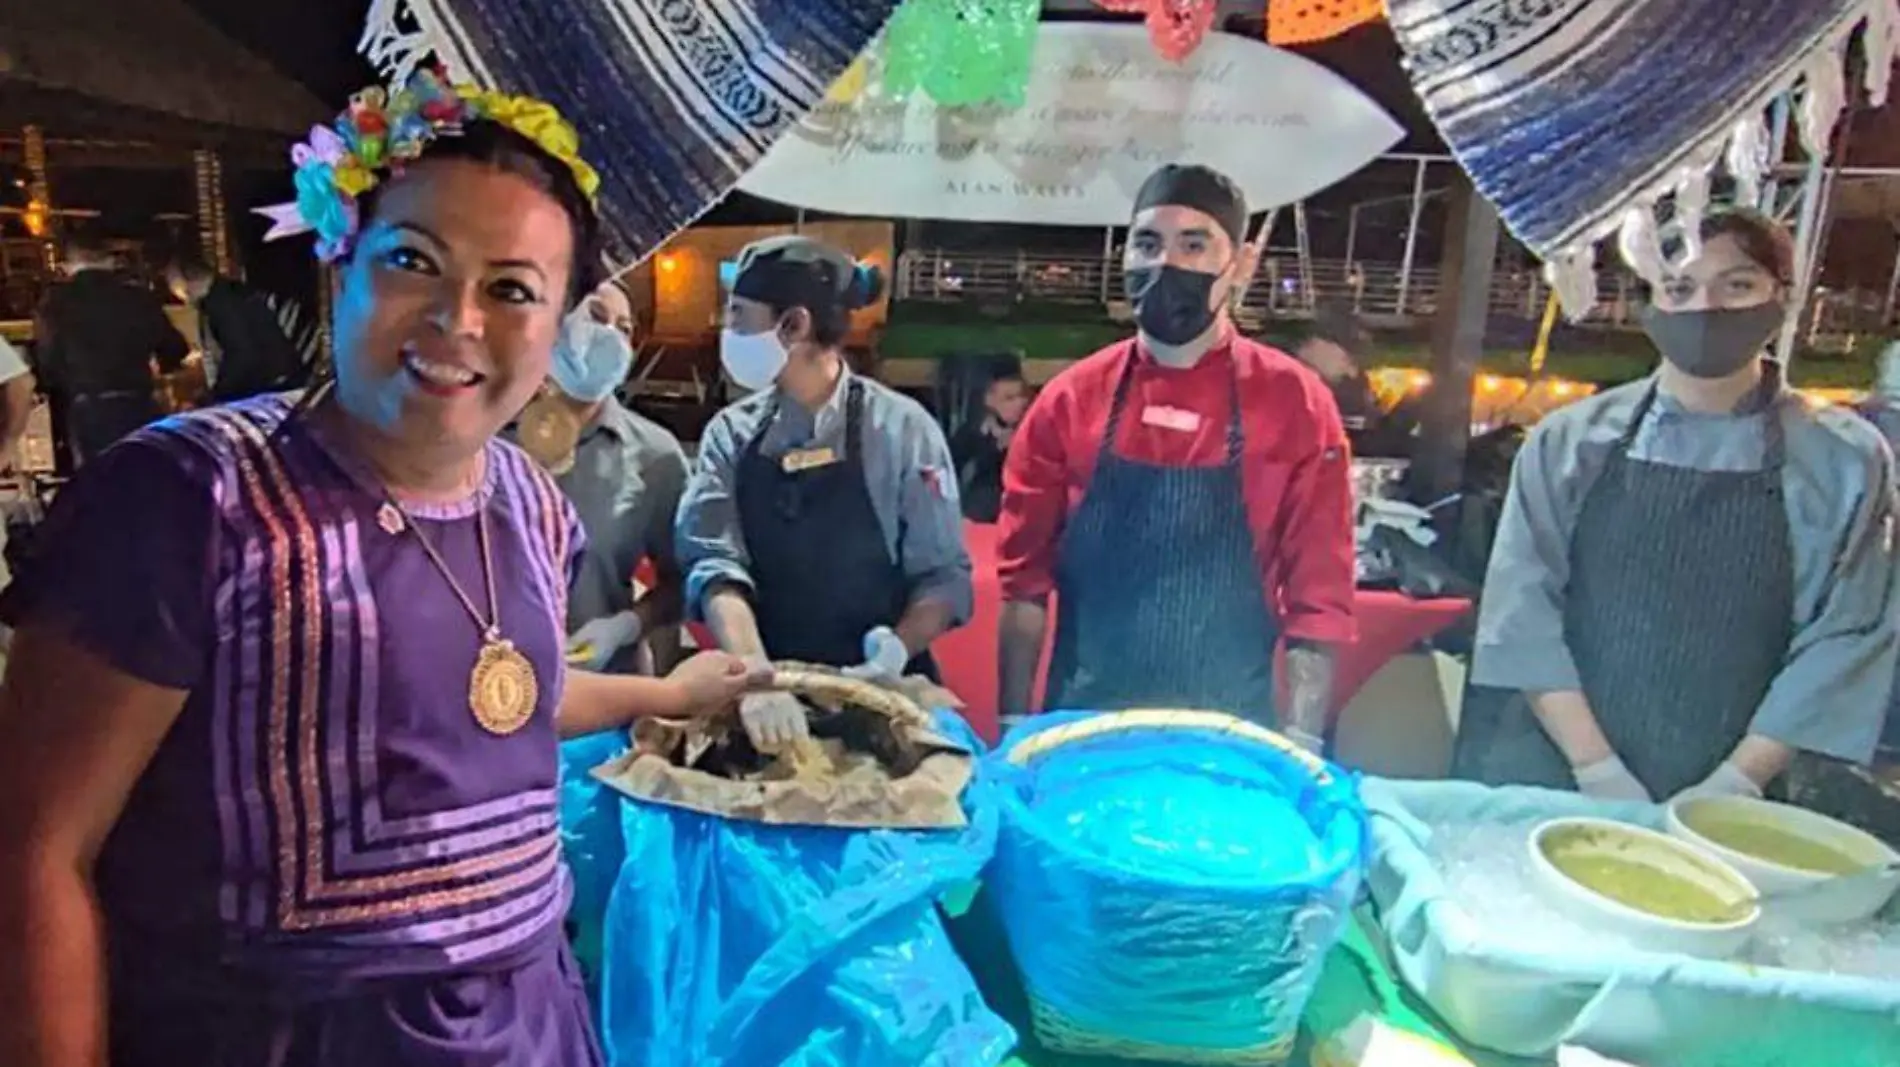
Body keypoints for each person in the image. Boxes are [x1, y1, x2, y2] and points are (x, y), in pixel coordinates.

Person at [0, 71, 763, 1067]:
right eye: (413, 260)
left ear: (560, 322)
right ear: (342, 266)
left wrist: (666, 688)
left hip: (529, 1022)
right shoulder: (188, 497)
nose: (459, 319)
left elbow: (492, 698)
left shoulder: (532, 506)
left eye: (513, 289)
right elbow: (36, 848)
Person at [1459, 208, 1898, 804]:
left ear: (1784, 298)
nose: (1704, 307)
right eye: (1679, 287)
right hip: (1557, 768)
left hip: (1746, 785)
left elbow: (1847, 630)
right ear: (1650, 304)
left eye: (1737, 284)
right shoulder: (1569, 441)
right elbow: (1523, 613)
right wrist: (1596, 769)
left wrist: (1739, 779)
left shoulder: (1845, 458)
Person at [994, 163, 1356, 749]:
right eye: (1147, 243)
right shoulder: (1070, 399)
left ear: (1238, 264)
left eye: (1194, 244)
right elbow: (1023, 586)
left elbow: (1320, 603)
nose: (1167, 264)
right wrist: (1010, 732)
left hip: (1231, 738)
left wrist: (1303, 747)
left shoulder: (1298, 405)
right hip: (1081, 732)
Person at [677, 235, 972, 751]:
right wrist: (755, 677)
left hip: (881, 696)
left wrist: (895, 652)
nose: (727, 330)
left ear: (793, 325)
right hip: (769, 697)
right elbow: (714, 566)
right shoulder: (731, 434)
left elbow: (944, 576)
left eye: (739, 316)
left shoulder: (902, 431)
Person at [519, 279, 688, 675]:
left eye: (624, 328)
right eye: (596, 317)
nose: (610, 335)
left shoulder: (654, 454)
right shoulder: (485, 435)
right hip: (489, 691)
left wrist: (626, 626)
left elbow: (684, 583)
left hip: (601, 691)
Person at [32, 231, 189, 466]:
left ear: (68, 265)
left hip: (89, 407)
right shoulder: (137, 297)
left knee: (99, 483)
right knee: (146, 473)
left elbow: (48, 360)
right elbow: (175, 347)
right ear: (110, 261)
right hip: (138, 402)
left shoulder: (55, 303)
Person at [165, 251, 310, 403]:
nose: (180, 298)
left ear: (186, 285)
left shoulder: (221, 305)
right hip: (280, 384)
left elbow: (242, 354)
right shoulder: (231, 293)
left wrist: (219, 394)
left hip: (268, 391)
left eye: (176, 289)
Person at [950, 362, 1028, 523]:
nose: (1019, 404)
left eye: (1021, 396)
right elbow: (952, 466)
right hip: (984, 505)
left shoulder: (1035, 429)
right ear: (989, 400)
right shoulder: (973, 432)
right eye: (1009, 398)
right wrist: (994, 448)